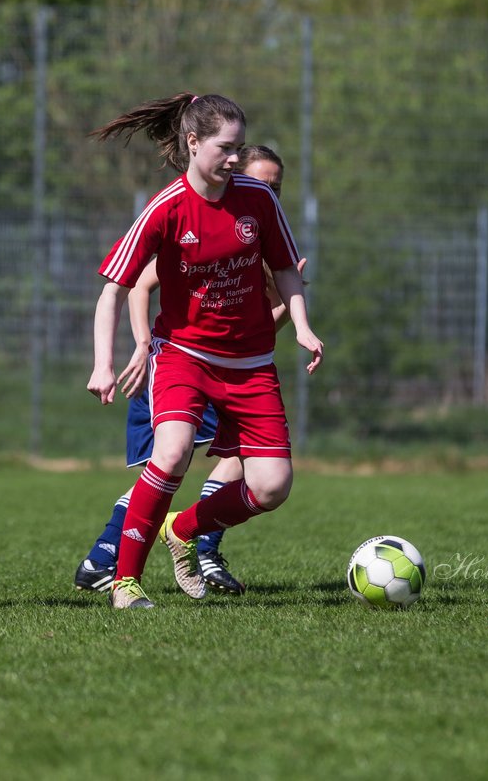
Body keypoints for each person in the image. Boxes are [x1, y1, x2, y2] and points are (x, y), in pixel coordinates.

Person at [87, 93, 323, 610]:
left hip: (252, 364)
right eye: (225, 148)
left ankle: (183, 528)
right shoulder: (166, 207)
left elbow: (285, 268)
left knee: (272, 487)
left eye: (239, 148)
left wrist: (301, 326)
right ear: (192, 143)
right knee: (170, 455)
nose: (235, 159)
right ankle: (126, 583)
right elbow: (114, 287)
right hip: (184, 357)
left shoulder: (258, 201)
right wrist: (104, 364)